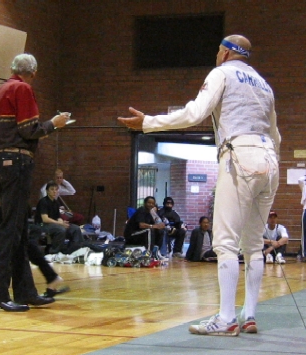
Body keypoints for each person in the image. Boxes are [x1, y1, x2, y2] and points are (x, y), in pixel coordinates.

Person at [118, 34, 280, 336]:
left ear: (227, 52)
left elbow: (195, 113)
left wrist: (149, 123)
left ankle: (227, 318)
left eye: (219, 50)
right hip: (270, 161)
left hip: (240, 157)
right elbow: (276, 132)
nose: (217, 55)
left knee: (226, 242)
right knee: (254, 245)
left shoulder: (222, 73)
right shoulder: (264, 84)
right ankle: (250, 316)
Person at [0, 53, 69, 312]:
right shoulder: (22, 89)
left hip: (0, 161)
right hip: (17, 162)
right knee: (10, 230)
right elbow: (29, 130)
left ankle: (24, 292)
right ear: (33, 73)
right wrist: (54, 124)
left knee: (19, 230)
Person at [0, 182, 68, 302]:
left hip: (9, 205)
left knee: (0, 244)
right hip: (7, 204)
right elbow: (0, 175)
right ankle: (48, 278)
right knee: (19, 245)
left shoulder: (12, 167)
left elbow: (4, 174)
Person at [35, 181, 83, 255]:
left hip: (54, 224)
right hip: (42, 225)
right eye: (52, 189)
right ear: (47, 191)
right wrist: (60, 224)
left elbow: (58, 217)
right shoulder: (43, 202)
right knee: (61, 229)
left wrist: (62, 223)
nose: (54, 191)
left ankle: (71, 251)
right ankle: (53, 252)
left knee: (75, 228)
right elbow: (45, 219)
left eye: (56, 189)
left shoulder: (56, 202)